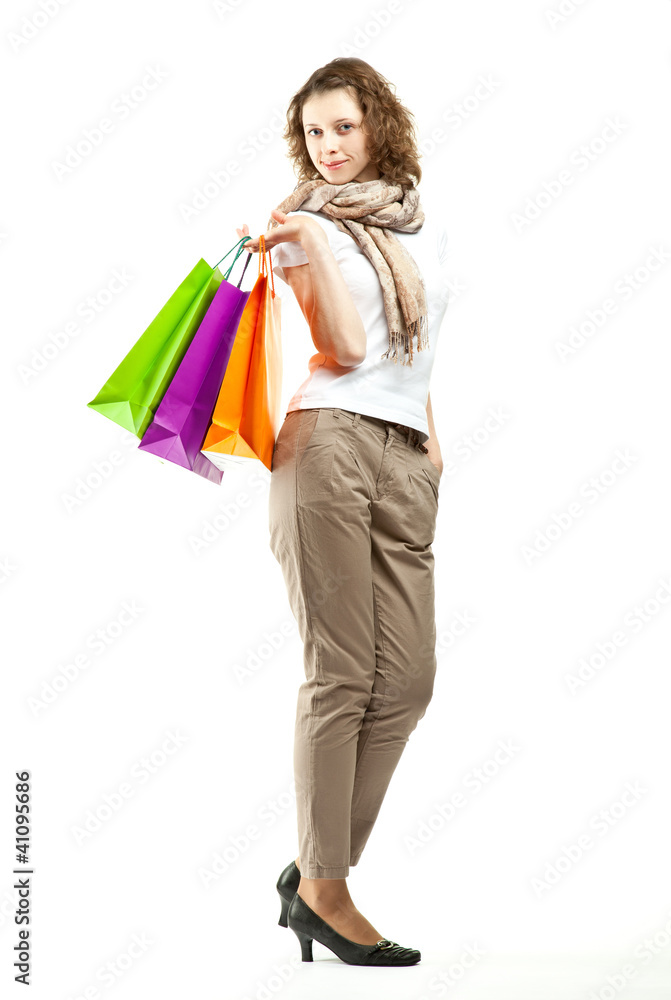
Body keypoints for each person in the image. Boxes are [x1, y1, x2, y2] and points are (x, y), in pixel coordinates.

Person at [236, 56, 450, 967]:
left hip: (403, 454)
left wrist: (432, 441)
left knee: (405, 680)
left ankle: (312, 875)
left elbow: (417, 347)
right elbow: (349, 344)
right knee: (342, 674)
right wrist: (306, 253)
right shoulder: (299, 229)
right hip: (325, 445)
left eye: (344, 128)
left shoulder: (409, 225)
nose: (329, 146)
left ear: (378, 130)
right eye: (315, 132)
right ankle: (325, 887)